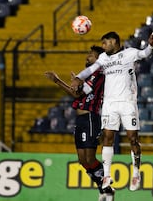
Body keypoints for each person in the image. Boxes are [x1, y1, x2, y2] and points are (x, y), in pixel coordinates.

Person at [71, 31, 153, 191]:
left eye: (105, 43)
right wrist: (78, 77)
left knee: (132, 139)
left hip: (127, 103)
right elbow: (90, 70)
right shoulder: (103, 58)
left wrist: (151, 46)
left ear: (114, 41)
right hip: (109, 105)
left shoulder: (129, 53)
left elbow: (144, 53)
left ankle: (136, 173)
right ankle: (107, 175)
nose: (103, 46)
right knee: (107, 139)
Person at [44, 46, 115, 201]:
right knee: (83, 160)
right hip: (81, 119)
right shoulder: (88, 77)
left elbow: (77, 94)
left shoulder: (98, 75)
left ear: (98, 59)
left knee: (90, 158)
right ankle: (103, 188)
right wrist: (77, 82)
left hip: (90, 118)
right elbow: (78, 92)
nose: (87, 57)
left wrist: (57, 80)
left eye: (91, 55)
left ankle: (107, 188)